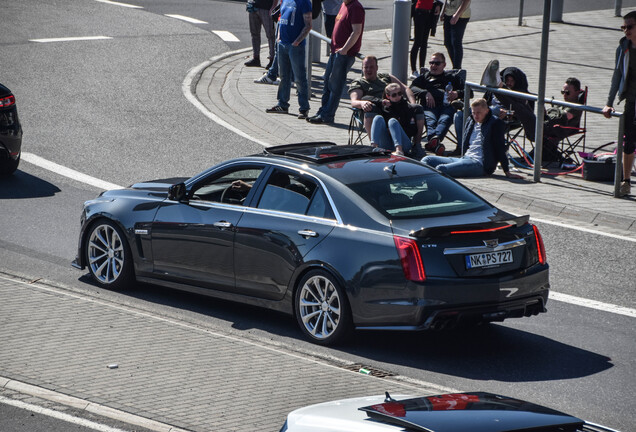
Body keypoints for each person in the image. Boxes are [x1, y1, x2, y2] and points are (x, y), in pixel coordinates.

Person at [481, 61, 584, 162]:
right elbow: (556, 115)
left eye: (567, 92)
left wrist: (551, 111)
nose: (564, 95)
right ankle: (498, 84)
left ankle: (498, 85)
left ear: (577, 92)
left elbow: (563, 117)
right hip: (542, 125)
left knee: (520, 107)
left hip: (544, 129)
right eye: (563, 92)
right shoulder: (563, 104)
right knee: (521, 104)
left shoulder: (576, 107)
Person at [422, 98, 522, 178]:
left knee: (441, 169)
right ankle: (421, 180)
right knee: (427, 159)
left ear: (487, 111)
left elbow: (500, 147)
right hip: (465, 158)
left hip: (479, 164)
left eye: (479, 113)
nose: (476, 116)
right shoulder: (471, 120)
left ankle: (430, 183)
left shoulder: (495, 123)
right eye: (474, 112)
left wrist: (507, 171)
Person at [307, 0, 365, 125]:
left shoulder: (356, 7)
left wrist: (344, 50)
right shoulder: (344, 5)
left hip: (344, 54)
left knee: (335, 86)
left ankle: (327, 115)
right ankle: (322, 112)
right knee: (327, 82)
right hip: (336, 52)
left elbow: (356, 31)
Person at [603, 10, 636, 197]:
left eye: (630, 27)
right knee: (629, 142)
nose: (626, 31)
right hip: (631, 100)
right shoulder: (623, 48)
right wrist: (609, 103)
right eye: (623, 27)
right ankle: (626, 181)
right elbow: (617, 76)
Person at [410, 52, 465, 155]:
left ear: (444, 65)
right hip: (429, 107)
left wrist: (457, 93)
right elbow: (411, 88)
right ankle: (435, 142)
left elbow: (469, 92)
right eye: (431, 63)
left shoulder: (452, 77)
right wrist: (425, 92)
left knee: (445, 119)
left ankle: (433, 142)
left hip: (447, 106)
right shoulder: (424, 77)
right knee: (431, 121)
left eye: (437, 63)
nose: (433, 65)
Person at [265, 0, 312, 118]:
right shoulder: (285, 0)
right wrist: (279, 37)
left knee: (299, 77)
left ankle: (304, 108)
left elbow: (308, 25)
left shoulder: (304, 2)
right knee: (283, 76)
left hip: (295, 46)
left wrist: (297, 41)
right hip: (283, 44)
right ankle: (282, 104)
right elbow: (281, 18)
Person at [349, 55, 416, 135]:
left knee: (417, 108)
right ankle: (374, 145)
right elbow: (354, 102)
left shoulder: (386, 77)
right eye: (366, 67)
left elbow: (405, 89)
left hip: (395, 109)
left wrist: (413, 104)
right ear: (362, 69)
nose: (368, 70)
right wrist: (362, 103)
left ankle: (416, 144)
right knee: (371, 108)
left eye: (371, 67)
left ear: (377, 67)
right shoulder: (359, 83)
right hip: (376, 112)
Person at [369, 83, 425, 156]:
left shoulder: (407, 107)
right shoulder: (384, 107)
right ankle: (373, 147)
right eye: (394, 95)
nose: (398, 96)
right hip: (387, 143)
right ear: (388, 96)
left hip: (404, 144)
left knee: (393, 121)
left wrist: (396, 129)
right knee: (378, 118)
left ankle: (399, 150)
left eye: (399, 93)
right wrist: (381, 101)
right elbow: (364, 98)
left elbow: (413, 130)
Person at [410, 0, 442, 79]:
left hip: (429, 11)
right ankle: (413, 70)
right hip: (420, 11)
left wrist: (438, 4)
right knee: (417, 42)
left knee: (424, 43)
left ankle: (422, 69)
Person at [245, 0, 276, 69]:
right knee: (254, 34)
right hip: (253, 7)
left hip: (266, 8)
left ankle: (272, 59)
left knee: (270, 35)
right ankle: (256, 58)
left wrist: (273, 7)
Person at [442, 0, 470, 69]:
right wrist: (443, 11)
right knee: (447, 43)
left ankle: (457, 68)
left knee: (456, 43)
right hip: (448, 13)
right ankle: (455, 66)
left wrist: (457, 15)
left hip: (461, 15)